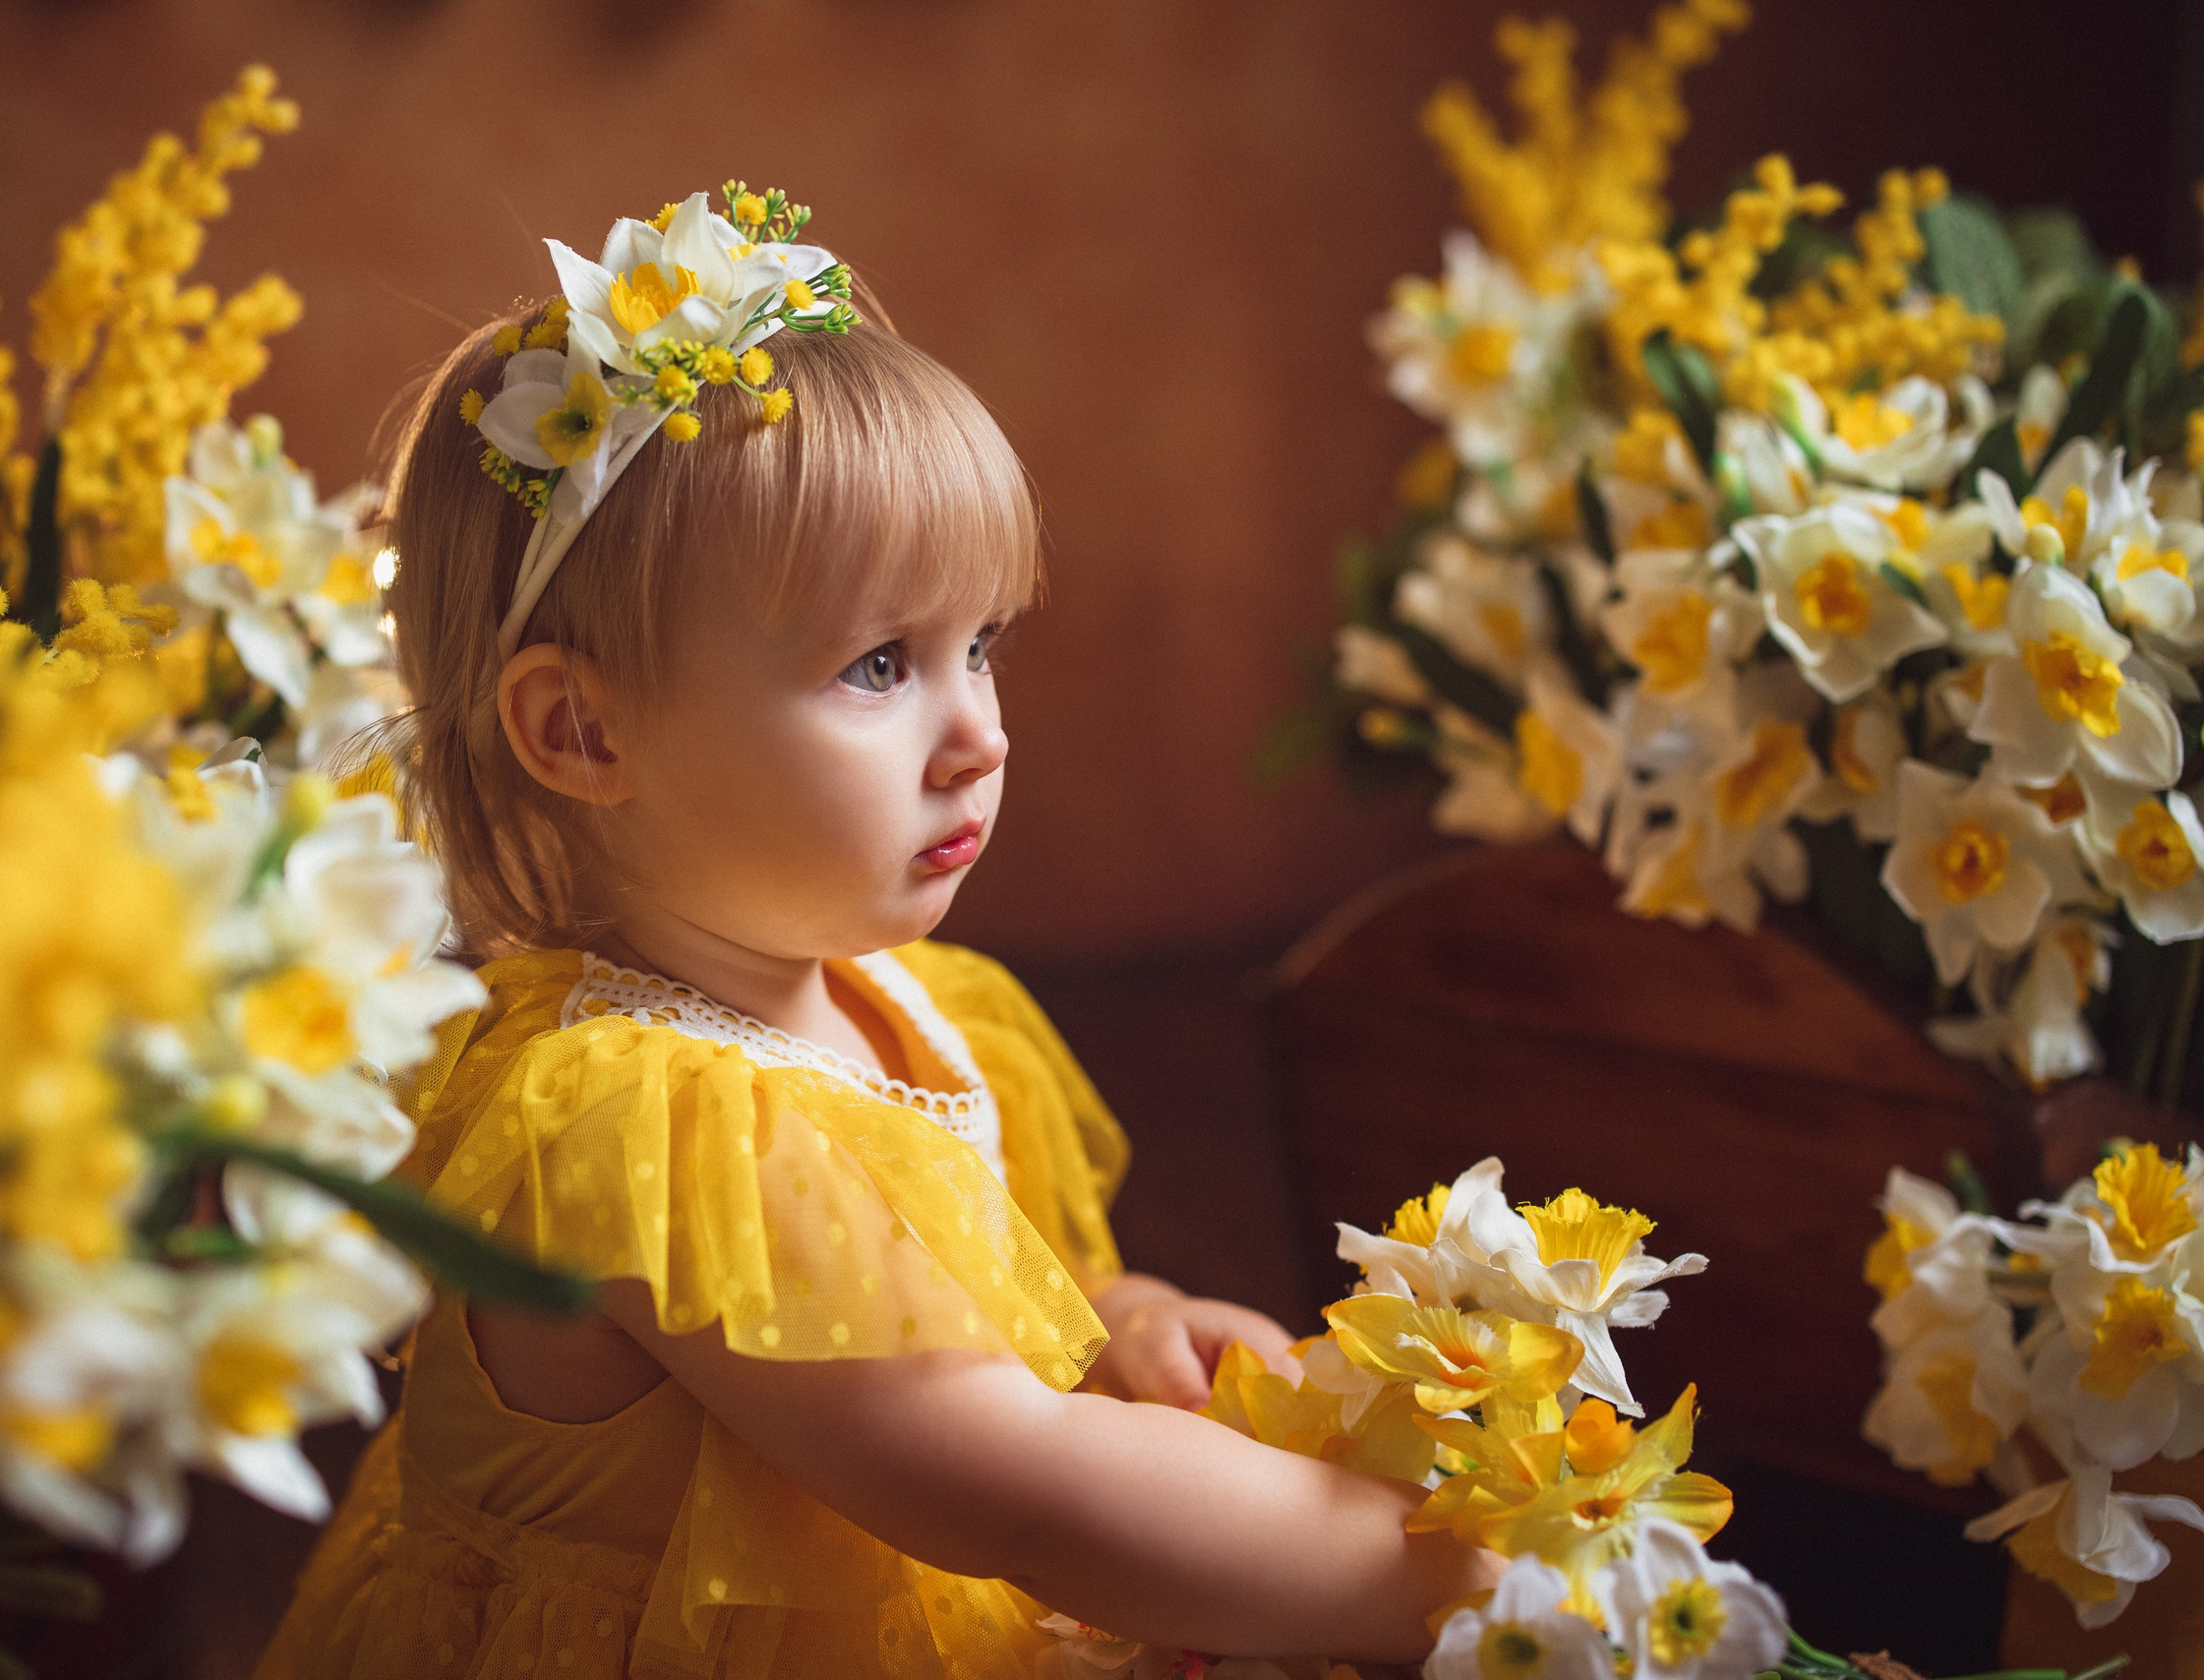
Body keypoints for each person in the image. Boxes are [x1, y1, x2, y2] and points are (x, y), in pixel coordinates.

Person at [255, 187, 1499, 1680]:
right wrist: (1462, 1585)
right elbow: (1019, 1482)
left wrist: (1124, 1321)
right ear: (580, 728)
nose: (976, 732)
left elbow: (971, 1303)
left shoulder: (906, 1004)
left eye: (980, 645)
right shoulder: (632, 1125)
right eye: (877, 665)